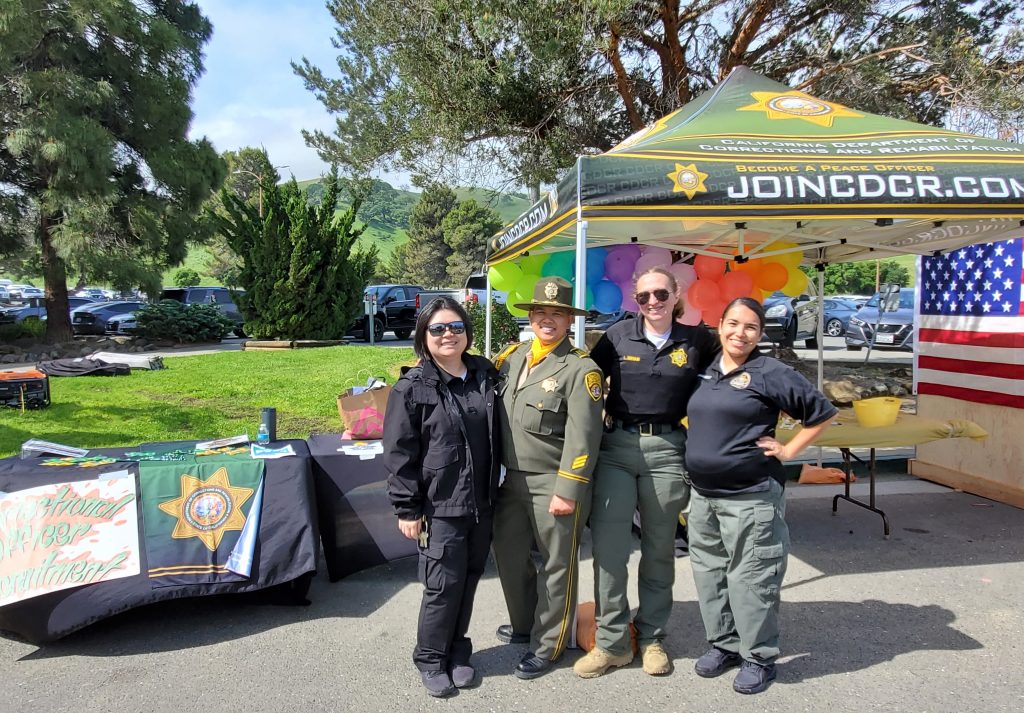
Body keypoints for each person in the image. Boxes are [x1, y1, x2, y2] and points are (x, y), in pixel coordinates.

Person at [684, 297, 836, 695]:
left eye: (751, 327)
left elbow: (821, 413)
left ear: (760, 333)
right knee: (711, 574)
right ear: (720, 325)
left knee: (752, 577)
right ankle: (725, 644)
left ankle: (759, 657)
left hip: (750, 496)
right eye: (733, 323)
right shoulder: (706, 368)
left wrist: (789, 450)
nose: (740, 333)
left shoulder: (771, 372)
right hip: (703, 496)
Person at [574, 266, 719, 679]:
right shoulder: (617, 336)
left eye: (660, 294)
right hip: (617, 449)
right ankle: (612, 643)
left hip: (669, 449)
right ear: (635, 300)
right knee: (609, 551)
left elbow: (730, 379)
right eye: (643, 296)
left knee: (658, 549)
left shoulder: (698, 340)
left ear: (676, 294)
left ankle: (652, 636)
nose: (652, 302)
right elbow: (583, 384)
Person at [383, 297, 501, 698]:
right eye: (437, 328)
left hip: (482, 502)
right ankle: (431, 658)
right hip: (440, 506)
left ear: (467, 332)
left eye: (455, 326)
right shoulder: (412, 387)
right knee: (442, 585)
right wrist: (407, 508)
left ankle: (457, 651)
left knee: (468, 580)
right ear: (423, 336)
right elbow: (399, 453)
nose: (448, 334)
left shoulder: (485, 374)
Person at [491, 275, 605, 680]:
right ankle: (525, 624)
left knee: (557, 566)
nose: (547, 319)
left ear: (570, 320)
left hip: (552, 482)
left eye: (557, 313)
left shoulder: (581, 370)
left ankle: (548, 644)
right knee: (509, 556)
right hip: (509, 480)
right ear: (531, 316)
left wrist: (568, 490)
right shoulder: (511, 358)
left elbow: (583, 437)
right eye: (540, 311)